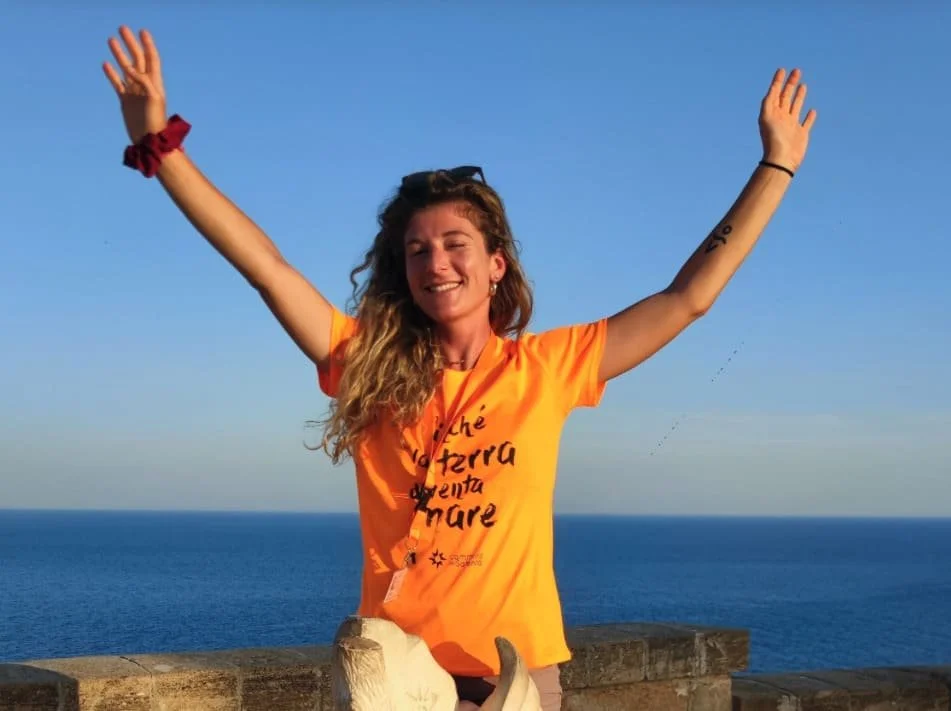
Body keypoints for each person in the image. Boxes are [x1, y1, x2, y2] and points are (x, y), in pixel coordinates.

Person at [102, 25, 817, 711]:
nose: (435, 262)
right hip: (398, 679)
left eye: (454, 243)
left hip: (518, 674)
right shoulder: (365, 364)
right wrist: (159, 147)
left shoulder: (548, 366)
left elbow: (687, 297)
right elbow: (265, 266)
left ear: (495, 264)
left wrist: (775, 166)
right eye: (416, 250)